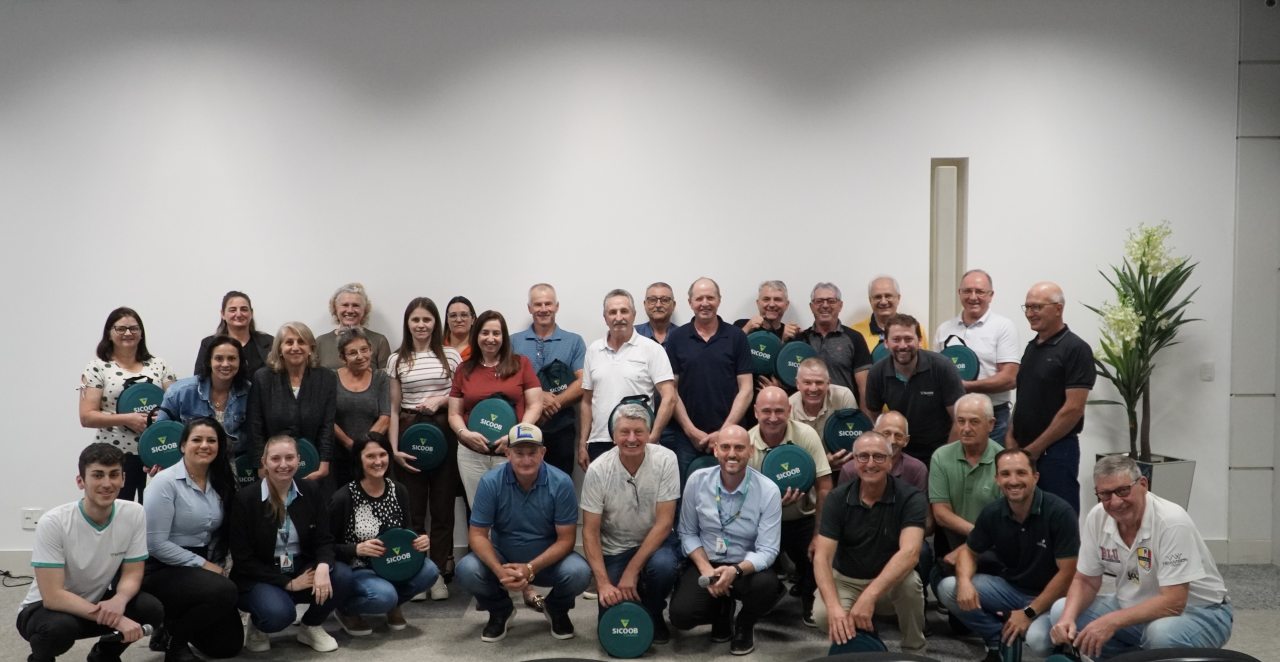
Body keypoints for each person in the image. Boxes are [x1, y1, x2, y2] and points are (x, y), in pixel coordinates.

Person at [1031, 455, 1232, 658]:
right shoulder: (1097, 517)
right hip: (1135, 605)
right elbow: (1085, 581)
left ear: (1143, 484)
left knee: (1160, 634)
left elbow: (1174, 602)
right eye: (1105, 494)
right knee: (1061, 610)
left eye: (1123, 490)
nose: (1115, 502)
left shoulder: (1172, 521)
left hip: (1200, 611)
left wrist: (1110, 622)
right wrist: (1067, 619)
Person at [17, 443, 163, 662]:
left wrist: (120, 599)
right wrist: (117, 619)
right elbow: (53, 596)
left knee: (150, 609)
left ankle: (104, 655)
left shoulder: (134, 513)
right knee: (58, 629)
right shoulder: (54, 522)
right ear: (80, 481)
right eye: (97, 475)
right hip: (44, 608)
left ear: (123, 479)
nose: (107, 483)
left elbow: (133, 573)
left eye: (114, 475)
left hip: (94, 601)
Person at [936, 448, 1079, 662]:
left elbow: (1067, 573)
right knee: (949, 588)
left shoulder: (1060, 513)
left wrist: (1029, 613)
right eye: (1005, 474)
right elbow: (968, 552)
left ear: (1035, 477)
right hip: (1011, 589)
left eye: (1021, 473)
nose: (1013, 481)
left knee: (1038, 640)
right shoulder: (993, 512)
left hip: (1053, 597)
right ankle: (999, 638)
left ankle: (1063, 650)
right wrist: (964, 582)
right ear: (997, 479)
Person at [455, 423, 591, 642]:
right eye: (519, 453)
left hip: (547, 563)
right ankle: (501, 610)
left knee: (579, 573)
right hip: (504, 560)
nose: (526, 460)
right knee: (466, 570)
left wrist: (530, 568)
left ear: (543, 452)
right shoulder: (490, 482)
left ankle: (556, 609)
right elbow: (477, 535)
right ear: (507, 453)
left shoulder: (561, 483)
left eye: (532, 453)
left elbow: (567, 540)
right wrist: (499, 571)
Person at [230, 434, 352, 653]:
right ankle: (259, 624)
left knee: (341, 576)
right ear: (264, 462)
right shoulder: (246, 499)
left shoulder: (311, 490)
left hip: (300, 566)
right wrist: (288, 583)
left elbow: (324, 539)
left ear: (298, 460)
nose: (283, 464)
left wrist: (323, 566)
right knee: (278, 615)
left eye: (289, 457)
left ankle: (311, 626)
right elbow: (242, 559)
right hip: (261, 574)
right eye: (275, 458)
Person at [670, 425, 784, 656]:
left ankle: (745, 623)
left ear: (751, 451)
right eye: (725, 447)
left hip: (744, 567)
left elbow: (768, 550)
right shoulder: (697, 481)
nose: (732, 454)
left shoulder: (768, 490)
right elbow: (688, 532)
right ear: (715, 450)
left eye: (739, 448)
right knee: (681, 616)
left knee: (767, 587)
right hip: (707, 561)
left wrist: (735, 571)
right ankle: (722, 609)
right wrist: (706, 569)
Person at [812, 432, 927, 655]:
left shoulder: (911, 497)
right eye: (863, 456)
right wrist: (834, 608)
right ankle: (864, 636)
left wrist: (869, 596)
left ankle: (914, 649)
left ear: (890, 461)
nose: (871, 463)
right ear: (854, 462)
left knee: (911, 586)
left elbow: (911, 553)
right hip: (846, 579)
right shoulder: (837, 498)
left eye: (879, 457)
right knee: (824, 616)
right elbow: (822, 557)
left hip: (890, 581)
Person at [142, 418, 244, 661]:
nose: (204, 445)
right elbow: (155, 544)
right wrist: (204, 565)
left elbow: (218, 532)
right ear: (182, 445)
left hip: (198, 565)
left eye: (211, 440)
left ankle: (172, 621)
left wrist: (213, 563)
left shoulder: (220, 480)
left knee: (227, 647)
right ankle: (174, 641)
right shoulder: (164, 482)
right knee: (225, 591)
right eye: (197, 439)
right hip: (160, 567)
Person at [580, 403, 681, 645]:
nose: (632, 439)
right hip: (615, 549)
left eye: (639, 431)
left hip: (656, 544)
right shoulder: (597, 470)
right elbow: (590, 532)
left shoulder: (667, 459)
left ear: (649, 433)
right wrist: (603, 584)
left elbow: (665, 523)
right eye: (624, 432)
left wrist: (631, 571)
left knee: (664, 567)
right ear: (613, 436)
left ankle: (654, 611)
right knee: (611, 617)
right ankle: (637, 600)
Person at [387, 297, 462, 600]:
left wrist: (440, 401)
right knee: (414, 509)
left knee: (443, 508)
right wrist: (394, 449)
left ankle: (438, 574)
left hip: (444, 433)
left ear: (435, 323)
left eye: (426, 320)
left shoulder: (451, 355)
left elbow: (459, 397)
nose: (421, 325)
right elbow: (393, 409)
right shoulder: (396, 359)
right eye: (415, 320)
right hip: (410, 435)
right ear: (408, 323)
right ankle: (417, 573)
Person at [330, 436, 439, 636]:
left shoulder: (399, 490)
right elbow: (326, 546)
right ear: (358, 459)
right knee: (383, 596)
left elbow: (407, 532)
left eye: (383, 454)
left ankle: (393, 605)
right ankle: (346, 610)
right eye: (370, 456)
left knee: (430, 571)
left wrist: (419, 541)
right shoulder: (343, 497)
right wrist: (356, 549)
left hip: (395, 563)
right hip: (360, 568)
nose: (378, 461)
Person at [745, 386, 832, 628]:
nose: (773, 418)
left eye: (779, 411)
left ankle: (810, 596)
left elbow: (825, 486)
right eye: (766, 411)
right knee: (754, 569)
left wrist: (820, 535)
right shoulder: (746, 443)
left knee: (821, 551)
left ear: (790, 410)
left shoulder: (806, 435)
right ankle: (770, 592)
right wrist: (771, 506)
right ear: (755, 412)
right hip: (763, 522)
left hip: (804, 517)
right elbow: (741, 501)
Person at [1009, 282, 1096, 512]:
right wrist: (1011, 436)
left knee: (1059, 515)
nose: (1030, 313)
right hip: (1025, 450)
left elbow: (1073, 409)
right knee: (1025, 517)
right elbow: (1024, 397)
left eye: (1037, 307)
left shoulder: (1076, 349)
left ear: (1058, 308)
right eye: (1027, 307)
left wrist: (1035, 449)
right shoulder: (1032, 347)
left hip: (1056, 452)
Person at [79, 306, 177, 502]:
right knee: (116, 511)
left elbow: (176, 406)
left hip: (157, 452)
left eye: (134, 328)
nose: (128, 333)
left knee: (154, 511)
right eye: (121, 328)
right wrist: (127, 419)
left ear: (141, 333)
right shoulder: (97, 367)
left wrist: (162, 417)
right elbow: (87, 416)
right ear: (109, 333)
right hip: (113, 457)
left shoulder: (159, 365)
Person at [447, 310, 544, 506]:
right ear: (476, 335)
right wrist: (465, 434)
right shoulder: (464, 369)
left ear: (503, 337)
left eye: (496, 333)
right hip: (471, 455)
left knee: (513, 510)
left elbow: (535, 405)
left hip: (511, 452)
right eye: (485, 333)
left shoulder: (521, 364)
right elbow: (454, 413)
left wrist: (515, 435)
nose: (490, 338)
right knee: (479, 510)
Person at [665, 277, 753, 481]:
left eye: (710, 298)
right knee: (687, 493)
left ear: (719, 300)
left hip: (731, 437)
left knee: (733, 490)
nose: (705, 303)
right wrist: (691, 431)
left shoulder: (737, 337)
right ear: (690, 302)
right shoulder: (677, 338)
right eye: (699, 298)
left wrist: (724, 431)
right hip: (686, 439)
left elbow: (746, 389)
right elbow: (671, 390)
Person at [578, 288, 676, 468]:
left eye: (624, 311)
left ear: (634, 315)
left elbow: (669, 397)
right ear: (605, 317)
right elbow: (586, 401)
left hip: (637, 440)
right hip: (600, 443)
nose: (618, 317)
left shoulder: (652, 349)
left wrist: (652, 437)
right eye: (612, 312)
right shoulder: (593, 350)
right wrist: (583, 443)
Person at [862, 313, 964, 465]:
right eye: (896, 339)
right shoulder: (877, 373)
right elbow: (875, 420)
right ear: (886, 343)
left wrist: (944, 460)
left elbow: (959, 419)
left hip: (939, 450)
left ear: (920, 341)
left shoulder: (942, 367)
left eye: (908, 339)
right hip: (897, 452)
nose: (903, 345)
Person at [934, 270, 1021, 444]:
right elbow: (936, 374)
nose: (973, 297)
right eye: (967, 291)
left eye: (980, 291)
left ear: (991, 295)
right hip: (952, 418)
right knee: (953, 462)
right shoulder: (944, 329)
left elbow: (1010, 379)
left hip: (992, 418)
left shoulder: (1003, 327)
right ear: (959, 293)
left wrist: (965, 386)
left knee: (991, 463)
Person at [511, 283, 587, 478]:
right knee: (523, 485)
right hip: (523, 429)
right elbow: (506, 383)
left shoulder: (574, 341)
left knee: (560, 484)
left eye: (548, 304)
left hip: (562, 431)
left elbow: (583, 383)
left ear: (557, 306)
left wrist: (554, 403)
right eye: (538, 304)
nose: (543, 309)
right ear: (529, 308)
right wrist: (539, 397)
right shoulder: (513, 342)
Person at [245, 322, 338, 480]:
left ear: (310, 348)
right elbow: (255, 426)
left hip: (314, 465)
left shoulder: (326, 378)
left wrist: (324, 464)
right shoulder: (263, 378)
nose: (295, 347)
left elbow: (327, 426)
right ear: (279, 349)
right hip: (273, 467)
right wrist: (261, 466)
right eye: (289, 342)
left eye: (301, 342)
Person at [929, 394, 1004, 566]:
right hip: (950, 546)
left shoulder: (1003, 461)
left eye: (974, 422)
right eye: (961, 421)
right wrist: (978, 534)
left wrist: (976, 541)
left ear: (991, 424)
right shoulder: (941, 457)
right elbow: (941, 513)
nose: (966, 428)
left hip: (992, 549)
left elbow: (1003, 522)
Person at [158, 335, 252, 455]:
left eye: (232, 358)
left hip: (234, 461)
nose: (225, 364)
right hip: (189, 460)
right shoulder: (179, 392)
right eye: (219, 358)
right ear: (209, 361)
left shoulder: (250, 391)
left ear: (240, 362)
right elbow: (160, 434)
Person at [332, 328, 391, 488]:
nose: (360, 356)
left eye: (364, 350)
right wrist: (350, 445)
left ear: (371, 350)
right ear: (342, 357)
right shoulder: (331, 378)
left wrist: (365, 447)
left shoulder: (381, 378)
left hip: (374, 457)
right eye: (352, 353)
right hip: (339, 456)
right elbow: (328, 419)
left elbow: (385, 417)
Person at [799, 282, 873, 406]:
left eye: (831, 301)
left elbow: (864, 388)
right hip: (807, 413)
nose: (825, 305)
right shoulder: (799, 340)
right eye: (819, 301)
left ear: (840, 305)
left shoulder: (855, 338)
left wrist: (864, 417)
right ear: (811, 306)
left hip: (844, 412)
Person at [789, 357, 859, 471]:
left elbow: (855, 439)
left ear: (828, 383)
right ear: (797, 384)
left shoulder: (844, 396)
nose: (813, 388)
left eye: (819, 382)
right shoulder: (789, 407)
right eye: (807, 382)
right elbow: (792, 456)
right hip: (807, 471)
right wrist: (824, 464)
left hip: (843, 466)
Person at [193, 290, 274, 377]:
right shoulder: (208, 344)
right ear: (223, 314)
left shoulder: (270, 342)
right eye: (232, 310)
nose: (238, 314)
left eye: (244, 309)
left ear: (251, 313)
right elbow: (200, 379)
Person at [316, 283, 392, 370]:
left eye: (356, 305)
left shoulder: (379, 341)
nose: (350, 310)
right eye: (345, 305)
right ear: (335, 308)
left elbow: (386, 376)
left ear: (364, 310)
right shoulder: (321, 342)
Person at [850, 275, 930, 354]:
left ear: (898, 298)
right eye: (878, 297)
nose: (883, 302)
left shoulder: (915, 329)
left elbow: (925, 359)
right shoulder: (855, 332)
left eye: (888, 296)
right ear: (870, 300)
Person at [734, 280, 801, 342]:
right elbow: (730, 348)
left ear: (786, 305)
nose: (772, 304)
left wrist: (784, 342)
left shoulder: (791, 334)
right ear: (758, 303)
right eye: (766, 299)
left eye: (777, 299)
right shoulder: (740, 325)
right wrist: (746, 330)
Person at [634, 282, 677, 346]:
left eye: (664, 300)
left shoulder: (684, 335)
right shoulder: (632, 334)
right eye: (652, 300)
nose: (658, 305)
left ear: (673, 305)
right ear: (645, 305)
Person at [445, 296, 477, 361]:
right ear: (447, 320)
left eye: (464, 315)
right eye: (453, 315)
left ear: (473, 319)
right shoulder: (438, 349)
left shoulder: (480, 350)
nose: (458, 320)